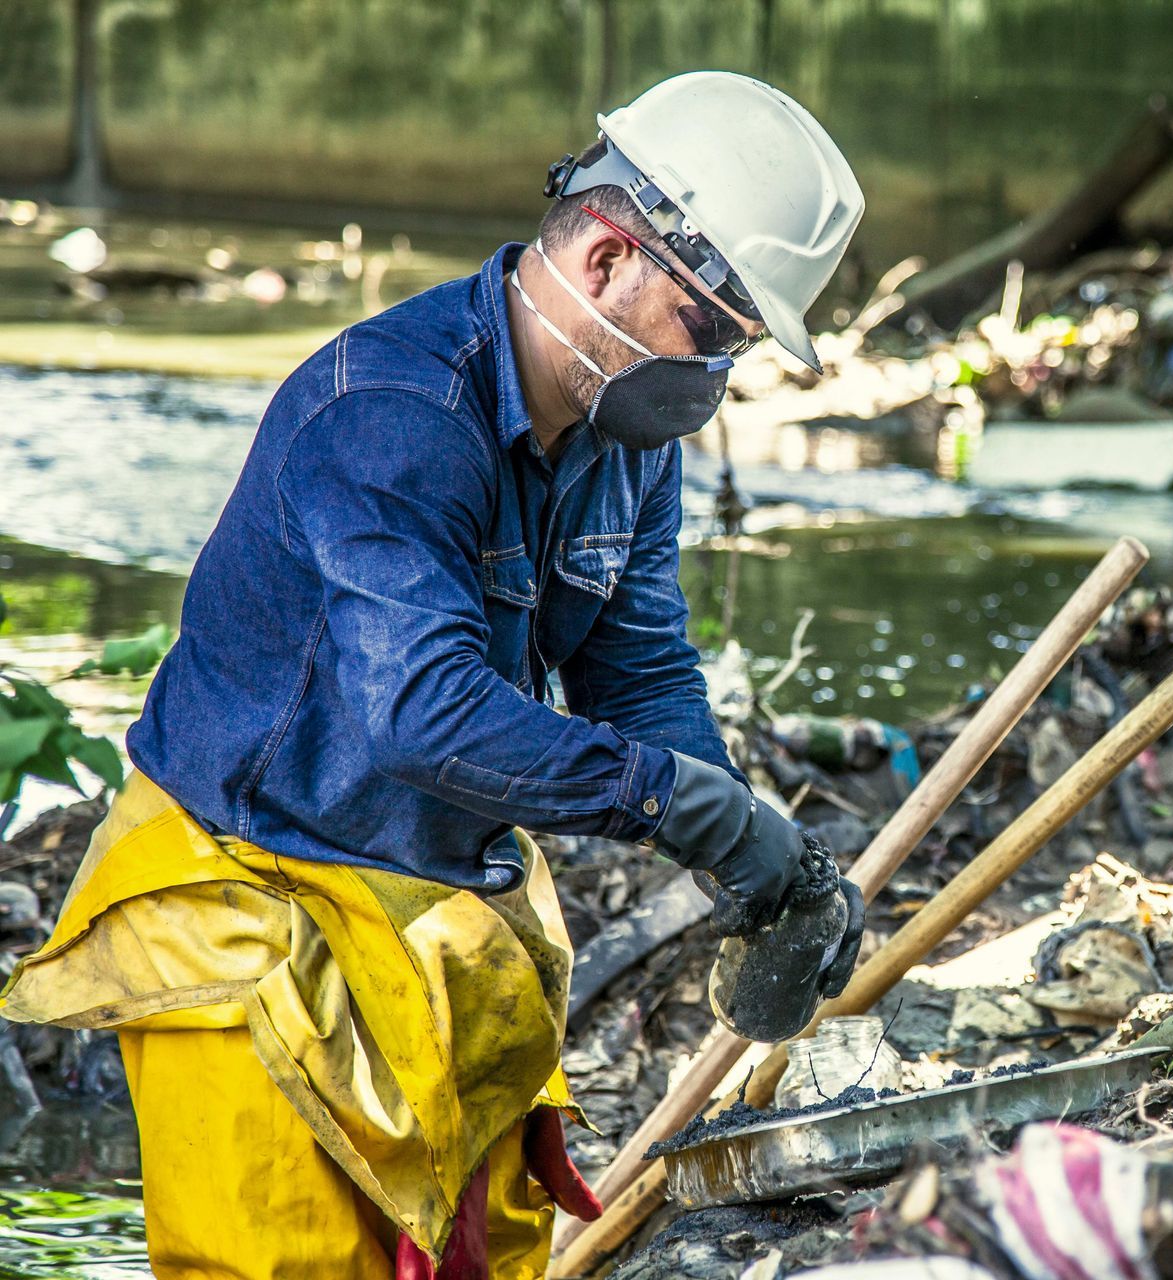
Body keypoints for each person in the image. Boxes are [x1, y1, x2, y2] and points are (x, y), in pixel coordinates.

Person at [1, 71, 866, 1279]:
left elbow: (644, 667)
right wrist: (688, 806)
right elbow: (423, 714)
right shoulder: (392, 413)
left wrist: (752, 850)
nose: (716, 373)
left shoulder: (624, 439)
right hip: (250, 896)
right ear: (611, 259)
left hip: (436, 902)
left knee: (483, 1256)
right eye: (712, 330)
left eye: (738, 346)